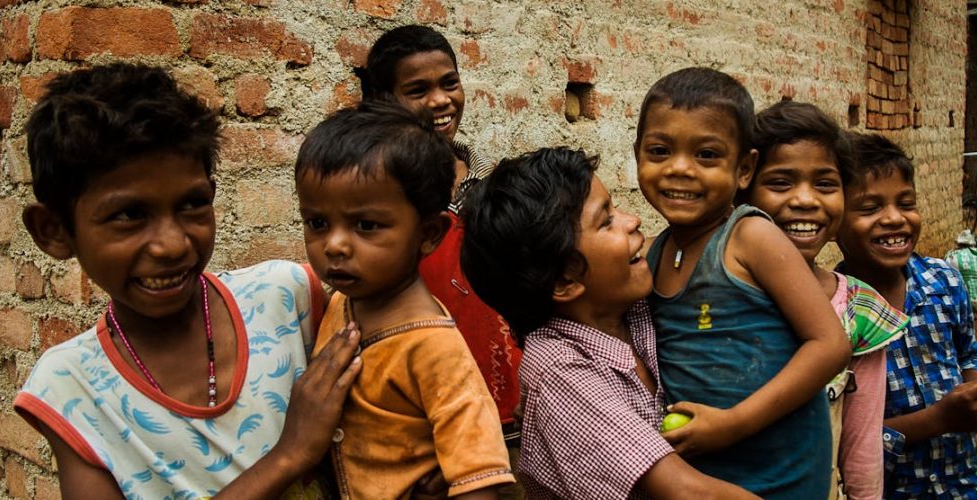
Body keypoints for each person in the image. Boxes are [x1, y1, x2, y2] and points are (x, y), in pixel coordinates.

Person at [14, 62, 361, 499]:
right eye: (129, 215)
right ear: (55, 231)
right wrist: (290, 455)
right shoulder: (70, 386)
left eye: (192, 204)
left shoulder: (285, 296)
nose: (173, 245)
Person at [459, 147, 756, 500]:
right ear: (564, 282)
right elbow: (689, 493)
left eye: (615, 208)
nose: (632, 221)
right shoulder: (560, 373)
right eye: (606, 221)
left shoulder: (633, 307)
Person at [635, 67, 850, 498]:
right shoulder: (654, 254)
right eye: (659, 151)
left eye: (707, 155)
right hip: (707, 476)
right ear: (637, 153)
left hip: (781, 473)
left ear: (745, 168)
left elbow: (830, 345)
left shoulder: (750, 237)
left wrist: (733, 424)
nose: (680, 169)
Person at [297, 101, 514, 499]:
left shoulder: (435, 349)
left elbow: (481, 480)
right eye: (317, 223)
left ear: (429, 233)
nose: (334, 245)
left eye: (366, 225)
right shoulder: (342, 303)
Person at [363, 26, 525, 464]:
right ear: (382, 100)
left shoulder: (493, 186)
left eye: (449, 83)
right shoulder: (380, 202)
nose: (440, 101)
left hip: (510, 413)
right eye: (417, 90)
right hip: (427, 418)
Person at [742, 100, 909, 499]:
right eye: (781, 182)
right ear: (743, 186)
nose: (805, 200)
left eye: (825, 184)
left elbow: (862, 445)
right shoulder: (714, 292)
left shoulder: (857, 310)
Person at [835, 132, 977, 499]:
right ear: (834, 219)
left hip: (960, 486)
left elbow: (967, 353)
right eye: (870, 208)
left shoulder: (943, 280)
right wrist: (942, 419)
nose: (894, 219)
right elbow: (842, 437)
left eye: (906, 203)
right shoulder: (834, 312)